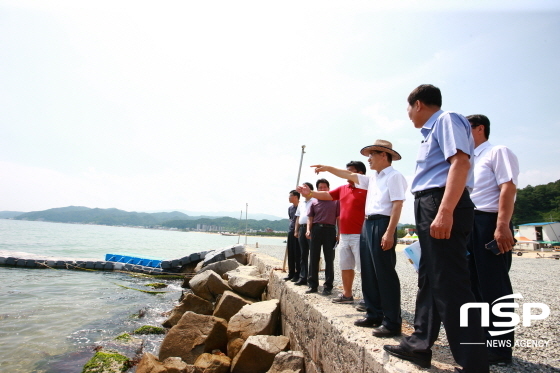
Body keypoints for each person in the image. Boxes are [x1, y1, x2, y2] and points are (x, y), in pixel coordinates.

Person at [383, 84, 489, 372]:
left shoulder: (447, 119)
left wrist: (445, 211)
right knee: (430, 278)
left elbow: (460, 163)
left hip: (442, 202)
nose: (408, 115)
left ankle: (473, 362)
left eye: (408, 108)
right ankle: (419, 344)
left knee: (451, 283)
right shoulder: (431, 132)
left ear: (418, 104)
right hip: (429, 202)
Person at [310, 140, 406, 338]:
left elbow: (397, 205)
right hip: (368, 224)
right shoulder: (372, 178)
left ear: (384, 155)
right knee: (369, 272)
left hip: (382, 223)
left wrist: (389, 232)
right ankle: (374, 314)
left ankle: (392, 322)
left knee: (384, 272)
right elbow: (349, 175)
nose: (369, 159)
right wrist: (328, 168)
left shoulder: (395, 176)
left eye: (372, 154)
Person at [466, 114, 519, 365]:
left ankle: (500, 349)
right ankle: (482, 340)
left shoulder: (497, 151)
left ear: (479, 129)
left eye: (466, 129)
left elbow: (508, 187)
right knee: (473, 284)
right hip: (470, 223)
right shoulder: (467, 160)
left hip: (490, 221)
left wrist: (502, 225)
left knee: (495, 286)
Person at [297, 161, 368, 303]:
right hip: (345, 235)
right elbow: (326, 196)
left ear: (359, 173)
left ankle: (369, 299)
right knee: (346, 266)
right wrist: (310, 193)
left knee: (364, 268)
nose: (346, 175)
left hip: (360, 234)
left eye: (350, 172)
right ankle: (347, 295)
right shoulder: (343, 189)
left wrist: (328, 168)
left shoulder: (369, 187)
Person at [305, 178, 339, 295]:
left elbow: (338, 219)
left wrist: (338, 234)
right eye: (320, 188)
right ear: (317, 189)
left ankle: (328, 286)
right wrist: (308, 230)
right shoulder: (314, 202)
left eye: (324, 187)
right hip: (316, 229)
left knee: (329, 259)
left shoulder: (335, 201)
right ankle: (313, 285)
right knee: (313, 257)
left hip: (330, 230)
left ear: (328, 188)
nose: (322, 189)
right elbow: (310, 218)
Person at [293, 182, 316, 286]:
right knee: (303, 254)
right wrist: (296, 230)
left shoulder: (315, 201)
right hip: (302, 229)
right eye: (301, 188)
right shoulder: (301, 203)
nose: (302, 190)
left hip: (312, 229)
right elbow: (298, 217)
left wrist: (310, 229)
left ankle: (312, 278)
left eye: (304, 188)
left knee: (313, 254)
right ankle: (303, 277)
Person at [285, 190, 301, 282]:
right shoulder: (290, 208)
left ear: (295, 197)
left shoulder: (301, 207)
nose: (289, 197)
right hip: (290, 232)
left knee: (297, 254)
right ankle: (290, 273)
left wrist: (297, 231)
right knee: (290, 253)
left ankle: (297, 274)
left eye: (290, 196)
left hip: (298, 233)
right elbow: (290, 219)